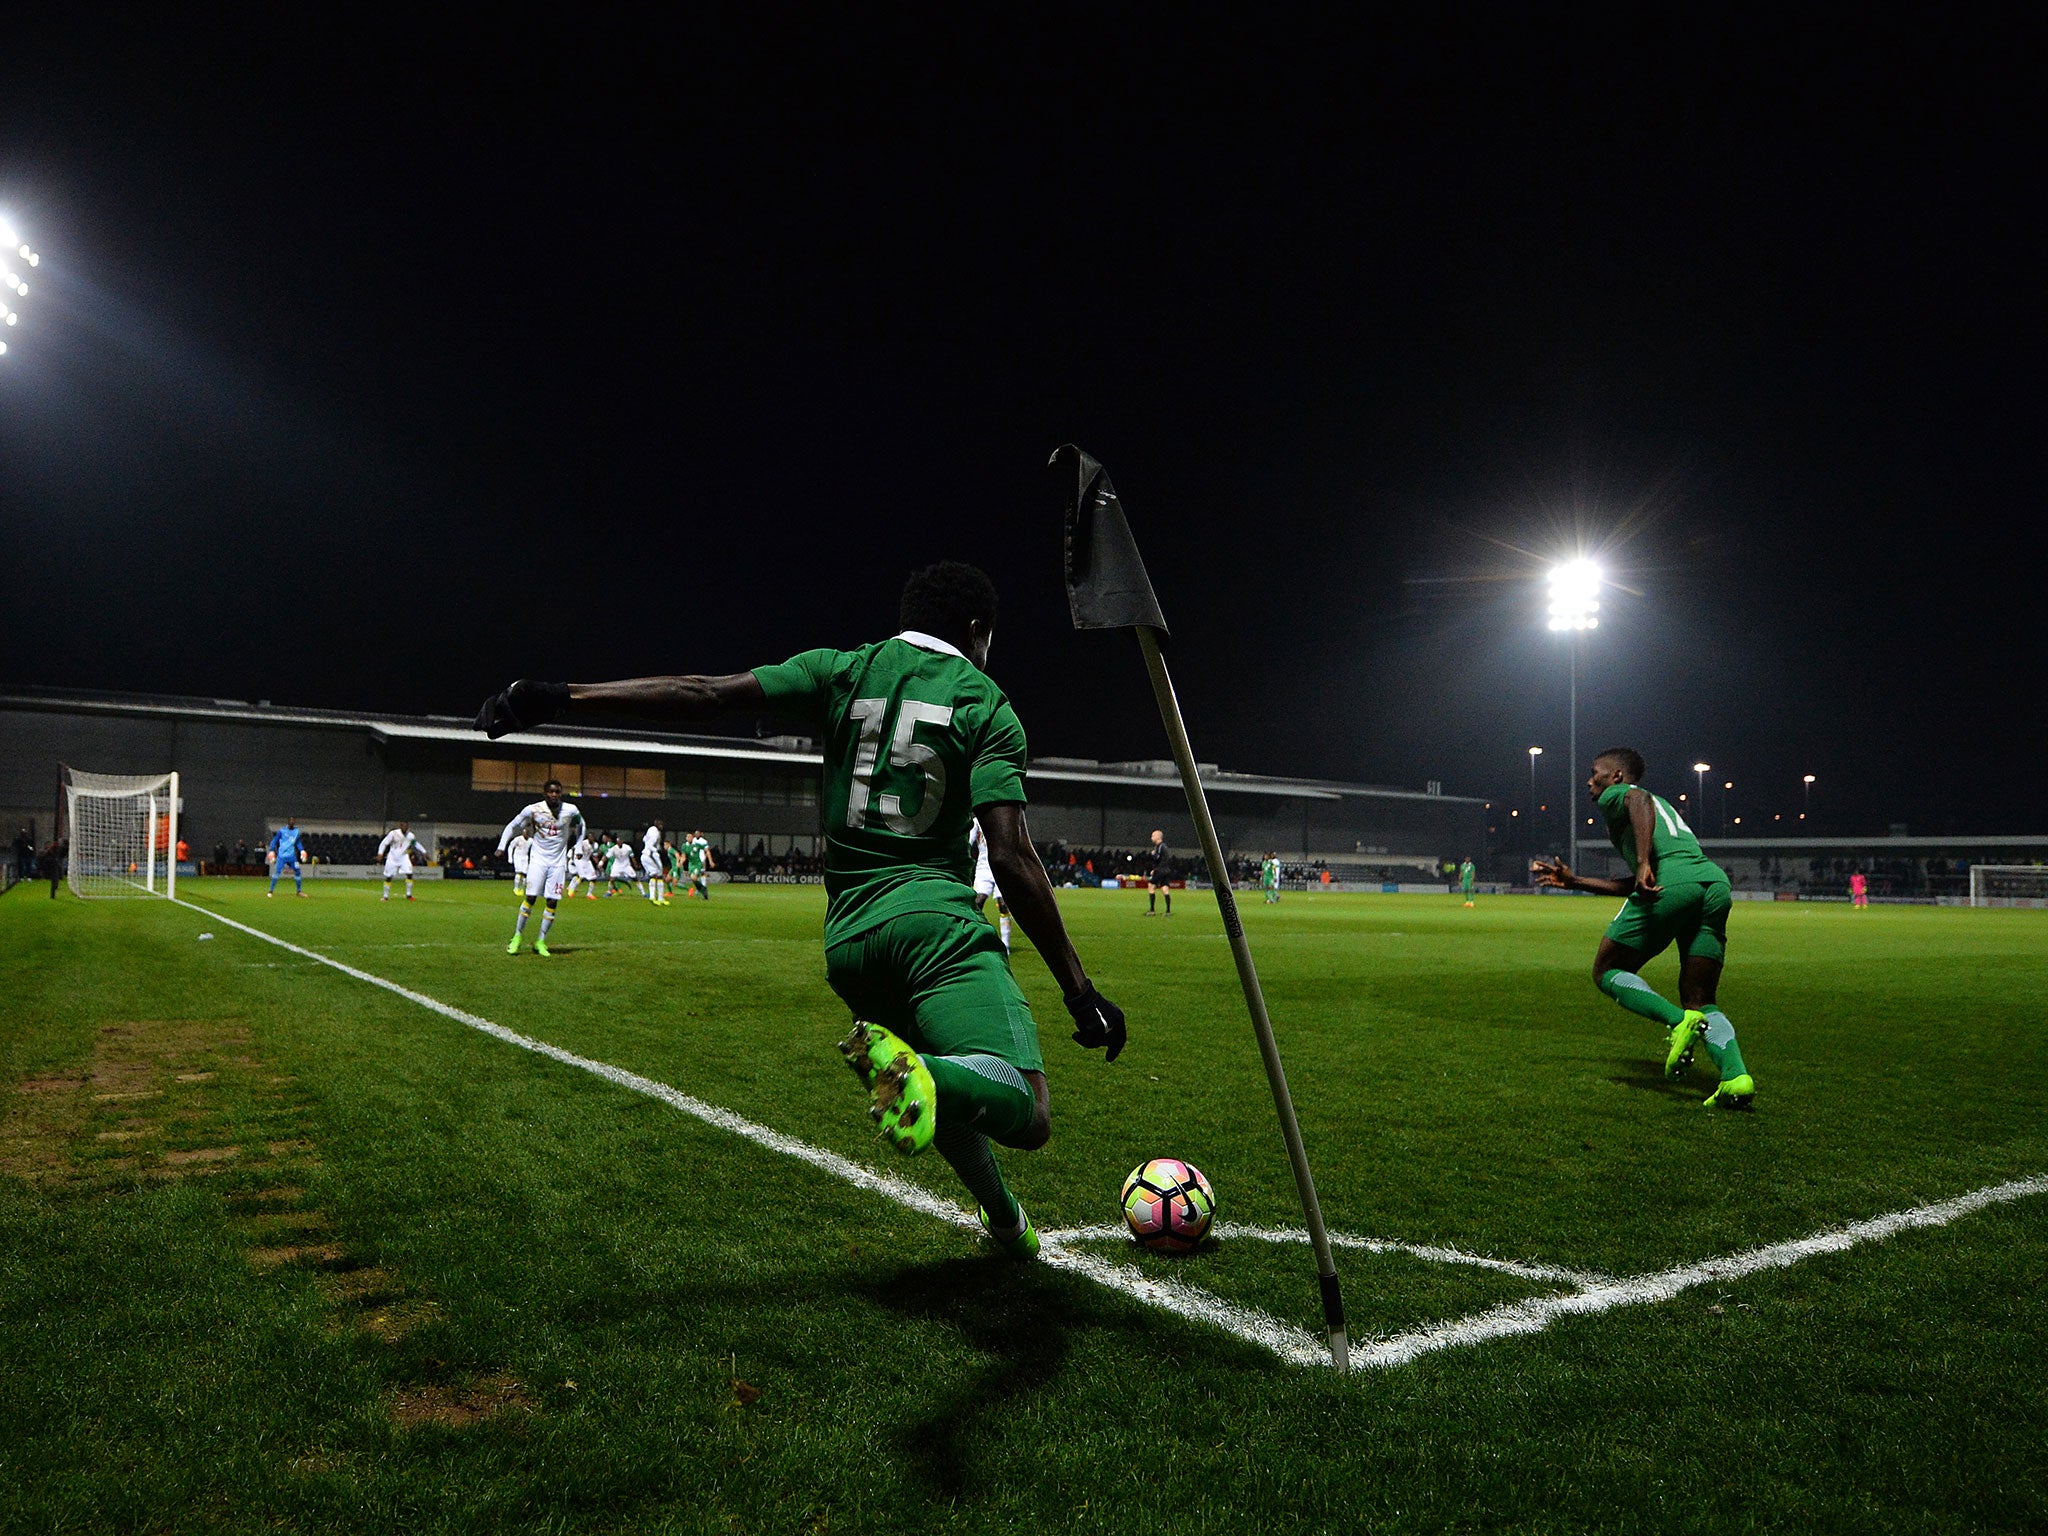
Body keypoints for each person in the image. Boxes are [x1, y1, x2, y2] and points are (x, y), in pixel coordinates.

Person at [474, 560, 1127, 1259]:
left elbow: (705, 694)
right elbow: (1011, 857)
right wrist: (1079, 990)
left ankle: (1004, 1221)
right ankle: (933, 1079)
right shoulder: (986, 702)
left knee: (944, 1083)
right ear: (976, 629)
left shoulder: (840, 670)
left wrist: (560, 696)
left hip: (850, 941)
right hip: (935, 927)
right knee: (1027, 1108)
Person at [1533, 748, 1756, 1109]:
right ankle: (1735, 1076)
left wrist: (1640, 863)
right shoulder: (1660, 808)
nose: (1590, 781)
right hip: (1711, 884)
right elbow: (1641, 882)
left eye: (1596, 773)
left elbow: (1638, 804)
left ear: (1617, 775)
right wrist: (1577, 882)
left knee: (1606, 970)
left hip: (1675, 883)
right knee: (1702, 999)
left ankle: (1678, 1022)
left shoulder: (1622, 795)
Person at [497, 779, 584, 956]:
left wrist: (579, 845)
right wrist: (501, 846)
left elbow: (581, 825)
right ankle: (517, 937)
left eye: (557, 792)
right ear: (544, 793)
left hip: (558, 862)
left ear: (561, 793)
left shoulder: (571, 810)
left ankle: (540, 941)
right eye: (551, 792)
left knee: (552, 901)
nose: (554, 795)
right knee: (530, 897)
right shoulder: (533, 809)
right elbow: (512, 825)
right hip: (538, 860)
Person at [966, 816, 1011, 950]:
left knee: (1003, 904)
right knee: (978, 902)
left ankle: (1006, 945)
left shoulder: (1001, 817)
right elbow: (968, 842)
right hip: (983, 867)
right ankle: (976, 938)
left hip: (1001, 866)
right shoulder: (976, 822)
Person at [378, 822, 426, 902]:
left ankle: (409, 895)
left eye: (406, 826)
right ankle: (385, 897)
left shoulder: (410, 836)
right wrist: (380, 853)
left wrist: (424, 852)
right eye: (403, 826)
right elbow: (384, 843)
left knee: (410, 874)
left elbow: (416, 844)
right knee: (389, 877)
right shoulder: (393, 834)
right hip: (392, 858)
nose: (405, 827)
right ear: (400, 826)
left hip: (404, 857)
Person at [266, 819, 307, 898]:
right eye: (290, 821)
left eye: (293, 822)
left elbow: (297, 842)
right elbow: (274, 840)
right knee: (277, 872)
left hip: (292, 856)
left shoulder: (296, 831)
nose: (292, 823)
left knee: (298, 871)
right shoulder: (282, 831)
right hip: (282, 856)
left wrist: (302, 850)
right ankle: (271, 891)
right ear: (288, 823)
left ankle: (299, 891)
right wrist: (271, 850)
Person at [1144, 828, 1172, 916]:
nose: (1151, 838)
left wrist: (1153, 854)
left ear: (1158, 837)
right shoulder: (1163, 846)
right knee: (1164, 889)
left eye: (1153, 836)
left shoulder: (1160, 846)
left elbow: (1157, 858)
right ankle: (1168, 911)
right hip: (1166, 870)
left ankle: (1152, 910)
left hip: (1160, 871)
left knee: (1151, 886)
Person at [642, 820, 669, 905]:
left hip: (647, 855)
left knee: (659, 876)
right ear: (657, 825)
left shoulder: (651, 829)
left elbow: (644, 839)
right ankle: (653, 897)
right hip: (650, 855)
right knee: (655, 875)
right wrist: (655, 851)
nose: (662, 826)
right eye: (660, 825)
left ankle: (660, 898)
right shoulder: (655, 832)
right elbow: (650, 845)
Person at [685, 829, 714, 899]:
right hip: (693, 861)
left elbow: (707, 850)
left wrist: (708, 859)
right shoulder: (693, 840)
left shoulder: (704, 841)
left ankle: (703, 887)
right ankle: (700, 888)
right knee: (694, 876)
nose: (696, 834)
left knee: (702, 873)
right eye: (695, 833)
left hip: (701, 859)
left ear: (701, 834)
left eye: (698, 833)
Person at [569, 832, 599, 898]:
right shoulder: (583, 843)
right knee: (582, 877)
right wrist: (573, 859)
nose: (592, 838)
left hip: (587, 861)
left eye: (593, 837)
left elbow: (594, 855)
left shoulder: (595, 845)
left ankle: (589, 894)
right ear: (588, 837)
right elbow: (574, 848)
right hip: (580, 861)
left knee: (593, 878)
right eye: (590, 837)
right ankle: (572, 889)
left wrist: (598, 863)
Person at [507, 830, 532, 901]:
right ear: (523, 833)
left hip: (525, 857)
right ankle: (516, 888)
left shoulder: (530, 840)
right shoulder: (517, 839)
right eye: (525, 833)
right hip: (517, 857)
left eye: (527, 833)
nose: (526, 835)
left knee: (525, 875)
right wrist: (510, 858)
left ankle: (522, 889)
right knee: (519, 873)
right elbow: (511, 847)